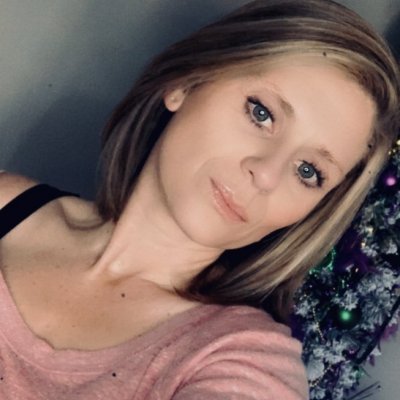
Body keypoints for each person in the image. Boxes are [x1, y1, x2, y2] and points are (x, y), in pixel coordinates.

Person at [0, 0, 399, 399]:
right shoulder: (9, 203)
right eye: (261, 113)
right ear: (186, 83)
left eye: (308, 171)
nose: (265, 175)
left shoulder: (245, 360)